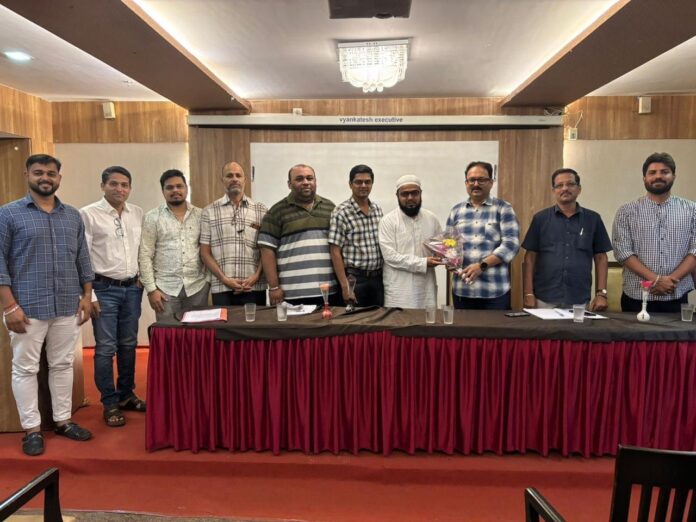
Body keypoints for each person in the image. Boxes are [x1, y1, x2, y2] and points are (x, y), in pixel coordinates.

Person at [0, 154, 94, 456]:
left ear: (59, 178)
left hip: (67, 304)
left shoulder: (72, 216)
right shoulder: (8, 214)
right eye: (38, 172)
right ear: (27, 175)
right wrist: (9, 307)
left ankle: (63, 421)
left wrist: (87, 296)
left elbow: (83, 259)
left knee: (62, 364)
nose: (45, 178)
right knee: (25, 368)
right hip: (26, 307)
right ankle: (31, 430)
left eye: (51, 173)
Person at [81, 166, 145, 428]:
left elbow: (142, 249)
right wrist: (90, 294)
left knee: (129, 344)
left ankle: (126, 394)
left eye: (125, 184)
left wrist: (141, 278)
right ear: (103, 186)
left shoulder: (137, 213)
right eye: (114, 184)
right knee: (106, 347)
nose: (120, 189)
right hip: (103, 288)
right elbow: (83, 257)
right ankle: (109, 402)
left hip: (132, 289)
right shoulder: (88, 214)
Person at [612, 152, 696, 313]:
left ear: (674, 176)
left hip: (676, 293)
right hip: (636, 295)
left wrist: (670, 281)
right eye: (652, 172)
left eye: (665, 172)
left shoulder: (692, 210)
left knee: (678, 331)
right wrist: (656, 280)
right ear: (644, 178)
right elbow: (622, 251)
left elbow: (695, 250)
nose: (658, 176)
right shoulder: (626, 211)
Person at [522, 168, 612, 310]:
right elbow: (530, 258)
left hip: (579, 297)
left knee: (579, 327)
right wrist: (528, 293)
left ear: (579, 189)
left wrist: (602, 294)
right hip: (544, 297)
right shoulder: (540, 219)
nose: (565, 188)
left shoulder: (593, 219)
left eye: (570, 184)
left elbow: (601, 257)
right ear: (553, 191)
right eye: (559, 185)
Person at [258, 164, 339, 307]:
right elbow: (267, 250)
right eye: (299, 179)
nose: (306, 182)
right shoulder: (276, 211)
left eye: (310, 178)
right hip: (292, 294)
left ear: (315, 181)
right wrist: (274, 287)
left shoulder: (330, 208)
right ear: (289, 184)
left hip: (328, 292)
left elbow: (337, 248)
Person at [446, 161, 519, 310]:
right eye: (472, 180)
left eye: (481, 180)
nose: (476, 184)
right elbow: (449, 244)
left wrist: (482, 266)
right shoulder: (456, 211)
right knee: (463, 327)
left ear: (491, 182)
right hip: (462, 291)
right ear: (466, 183)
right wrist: (449, 259)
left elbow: (511, 245)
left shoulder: (503, 208)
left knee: (494, 327)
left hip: (494, 292)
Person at [139, 170, 208, 320]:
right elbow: (144, 255)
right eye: (170, 187)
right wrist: (151, 290)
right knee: (168, 332)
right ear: (163, 191)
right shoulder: (152, 217)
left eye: (179, 186)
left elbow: (208, 250)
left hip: (197, 288)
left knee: (197, 332)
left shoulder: (201, 215)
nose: (175, 190)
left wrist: (207, 281)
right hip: (165, 290)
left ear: (186, 188)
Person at [200, 162, 267, 306]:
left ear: (245, 180)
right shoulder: (209, 211)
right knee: (225, 322)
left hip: (254, 287)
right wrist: (224, 279)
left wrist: (256, 276)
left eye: (238, 175)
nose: (234, 179)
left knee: (256, 322)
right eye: (229, 176)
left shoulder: (261, 210)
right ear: (222, 180)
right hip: (222, 287)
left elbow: (266, 249)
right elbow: (205, 252)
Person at [379, 175, 443, 309]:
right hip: (399, 290)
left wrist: (448, 257)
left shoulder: (432, 219)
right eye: (405, 194)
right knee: (399, 321)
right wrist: (424, 262)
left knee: (427, 320)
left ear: (420, 194)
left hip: (426, 287)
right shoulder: (388, 221)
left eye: (414, 193)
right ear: (397, 195)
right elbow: (390, 257)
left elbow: (441, 248)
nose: (410, 198)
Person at [328, 164, 384, 307]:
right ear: (350, 184)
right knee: (356, 319)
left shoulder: (377, 210)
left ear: (372, 184)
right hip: (355, 280)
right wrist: (345, 286)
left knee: (379, 317)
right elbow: (334, 251)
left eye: (367, 182)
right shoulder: (341, 212)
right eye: (358, 182)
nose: (363, 185)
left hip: (378, 279)